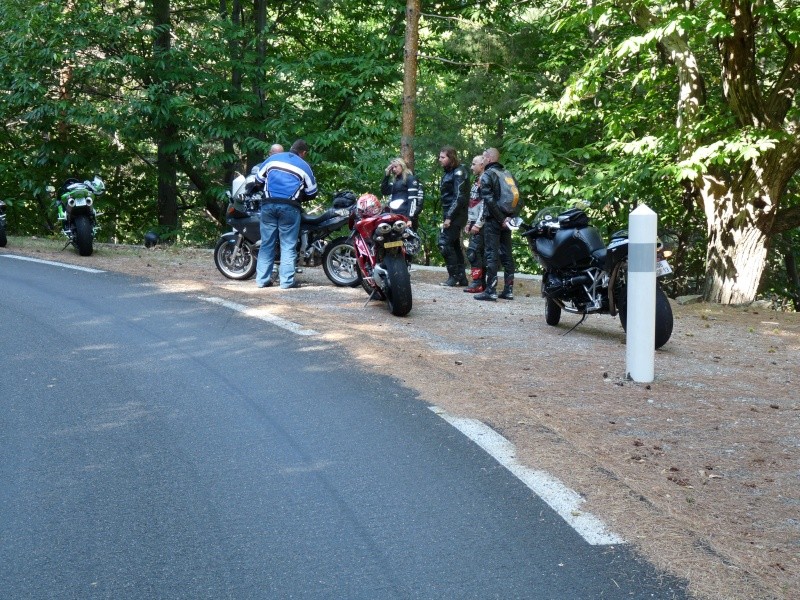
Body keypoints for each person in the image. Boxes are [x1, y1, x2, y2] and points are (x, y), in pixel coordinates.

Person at [254, 139, 317, 289]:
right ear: (303, 153)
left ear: (291, 149)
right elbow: (312, 192)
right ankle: (286, 282)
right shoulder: (304, 166)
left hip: (268, 205)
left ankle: (262, 280)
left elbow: (258, 180)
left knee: (267, 243)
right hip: (290, 207)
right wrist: (299, 196)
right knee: (288, 245)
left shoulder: (273, 159)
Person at [474, 147, 516, 301]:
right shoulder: (507, 174)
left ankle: (490, 290)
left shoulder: (488, 175)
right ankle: (508, 290)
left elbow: (488, 200)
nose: (482, 160)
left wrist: (500, 219)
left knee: (491, 253)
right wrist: (509, 218)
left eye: (484, 158)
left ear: (489, 159)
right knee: (507, 254)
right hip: (507, 220)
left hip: (494, 220)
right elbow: (518, 198)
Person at [437, 146, 470, 287]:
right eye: (440, 157)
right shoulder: (449, 172)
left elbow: (459, 196)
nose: (440, 160)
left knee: (444, 243)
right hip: (451, 212)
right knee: (454, 245)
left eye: (443, 157)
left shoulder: (459, 172)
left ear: (451, 158)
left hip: (456, 214)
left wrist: (449, 217)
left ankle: (454, 276)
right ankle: (461, 277)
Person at [463, 154, 486, 293]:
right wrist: (469, 222)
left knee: (474, 252)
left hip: (482, 225)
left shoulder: (485, 180)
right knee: (476, 252)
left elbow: (485, 205)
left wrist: (478, 224)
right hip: (474, 222)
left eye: (474, 164)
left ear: (482, 165)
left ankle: (478, 282)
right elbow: (473, 203)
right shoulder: (477, 180)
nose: (471, 167)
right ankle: (481, 282)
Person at [380, 157, 423, 229]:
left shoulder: (410, 179)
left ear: (402, 166)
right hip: (394, 215)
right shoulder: (395, 182)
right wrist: (386, 175)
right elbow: (384, 191)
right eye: (392, 167)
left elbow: (413, 200)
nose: (394, 169)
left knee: (408, 239)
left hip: (406, 216)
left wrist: (409, 218)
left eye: (396, 167)